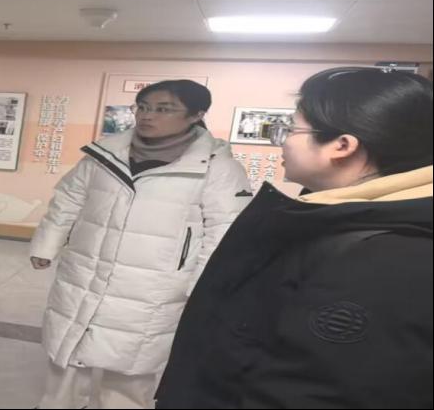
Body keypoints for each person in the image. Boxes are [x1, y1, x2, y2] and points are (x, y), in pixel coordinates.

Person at [156, 68, 433, 409]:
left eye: (291, 129)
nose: (283, 140)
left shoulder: (390, 255)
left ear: (342, 146)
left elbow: (315, 390)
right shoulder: (333, 217)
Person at [30, 80, 252, 409]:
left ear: (197, 115)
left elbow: (225, 231)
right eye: (143, 107)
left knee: (133, 367)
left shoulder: (217, 167)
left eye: (163, 109)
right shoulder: (105, 153)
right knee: (67, 350)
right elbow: (68, 199)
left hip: (155, 285)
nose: (148, 116)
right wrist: (46, 245)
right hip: (87, 271)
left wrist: (203, 287)